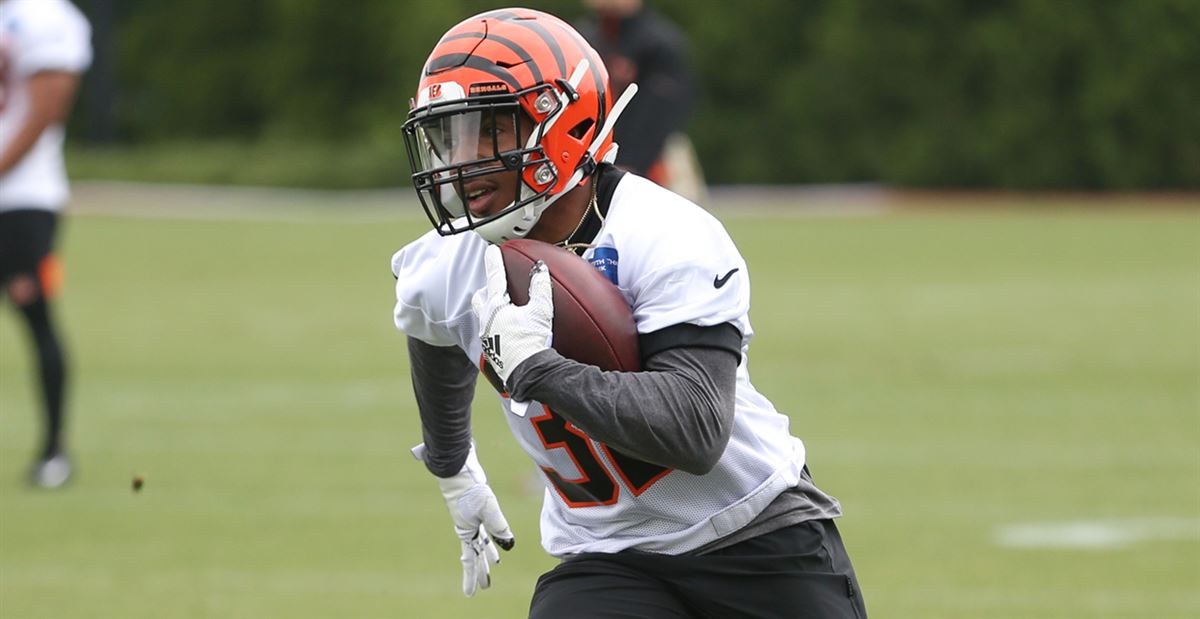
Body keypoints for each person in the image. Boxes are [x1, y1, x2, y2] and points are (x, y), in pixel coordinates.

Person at [392, 8, 867, 618]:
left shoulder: (664, 234)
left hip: (754, 537)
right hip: (607, 558)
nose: (462, 161)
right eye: (450, 135)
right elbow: (427, 325)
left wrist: (540, 367)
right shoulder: (452, 260)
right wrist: (453, 466)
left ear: (558, 125)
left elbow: (694, 431)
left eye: (489, 131)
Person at [0, 0, 92, 489]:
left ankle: (53, 451)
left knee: (34, 314)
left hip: (21, 202)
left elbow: (46, 110)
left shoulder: (48, 16)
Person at [575, 0, 706, 202]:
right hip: (595, 154)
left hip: (659, 155)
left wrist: (632, 161)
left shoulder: (660, 42)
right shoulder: (580, 39)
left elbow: (667, 110)